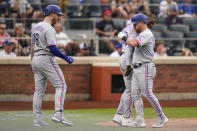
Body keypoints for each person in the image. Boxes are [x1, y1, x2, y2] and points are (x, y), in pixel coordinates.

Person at [118, 14, 168, 128]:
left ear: (141, 22)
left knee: (147, 93)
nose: (134, 26)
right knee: (135, 94)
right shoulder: (141, 34)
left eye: (135, 24)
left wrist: (124, 37)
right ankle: (139, 120)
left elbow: (134, 43)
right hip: (137, 67)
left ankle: (161, 117)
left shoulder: (147, 34)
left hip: (145, 67)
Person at [30, 5, 74, 127]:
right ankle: (58, 114)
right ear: (52, 14)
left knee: (38, 91)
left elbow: (32, 46)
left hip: (36, 58)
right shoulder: (49, 28)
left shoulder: (35, 27)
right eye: (58, 15)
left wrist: (31, 61)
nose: (59, 18)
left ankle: (37, 120)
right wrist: (66, 58)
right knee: (61, 85)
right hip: (45, 58)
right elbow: (52, 48)